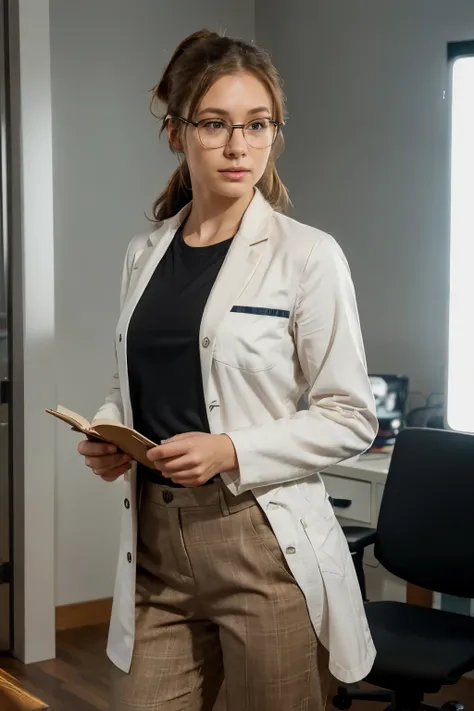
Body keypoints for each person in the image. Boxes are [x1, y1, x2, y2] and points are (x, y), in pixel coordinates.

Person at [78, 29, 378, 711]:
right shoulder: (144, 251)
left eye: (257, 124)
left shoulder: (308, 256)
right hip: (156, 544)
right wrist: (107, 429)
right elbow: (133, 385)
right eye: (215, 124)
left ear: (273, 132)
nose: (238, 146)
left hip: (260, 543)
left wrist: (231, 448)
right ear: (178, 132)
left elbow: (351, 415)